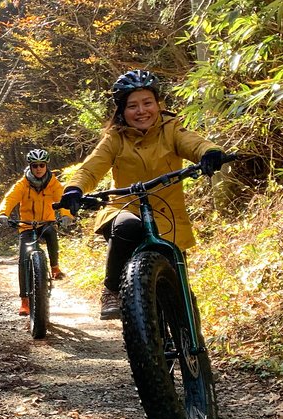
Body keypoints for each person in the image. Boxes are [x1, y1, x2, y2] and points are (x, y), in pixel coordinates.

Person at [57, 69, 226, 320]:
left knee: (182, 297)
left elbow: (194, 143)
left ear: (158, 104)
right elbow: (91, 168)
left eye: (147, 103)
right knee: (128, 226)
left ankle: (193, 349)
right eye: (132, 106)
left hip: (168, 218)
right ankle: (111, 290)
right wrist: (74, 189)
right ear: (122, 111)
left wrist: (209, 152)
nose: (141, 111)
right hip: (125, 209)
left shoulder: (172, 129)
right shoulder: (115, 138)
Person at [0, 146, 71, 316]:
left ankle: (55, 268)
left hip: (46, 222)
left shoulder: (53, 183)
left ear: (46, 166)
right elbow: (9, 199)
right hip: (27, 225)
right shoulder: (22, 184)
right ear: (30, 166)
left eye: (41, 165)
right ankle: (25, 301)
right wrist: (3, 214)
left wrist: (66, 215)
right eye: (35, 165)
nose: (38, 168)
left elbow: (63, 199)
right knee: (23, 259)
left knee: (52, 233)